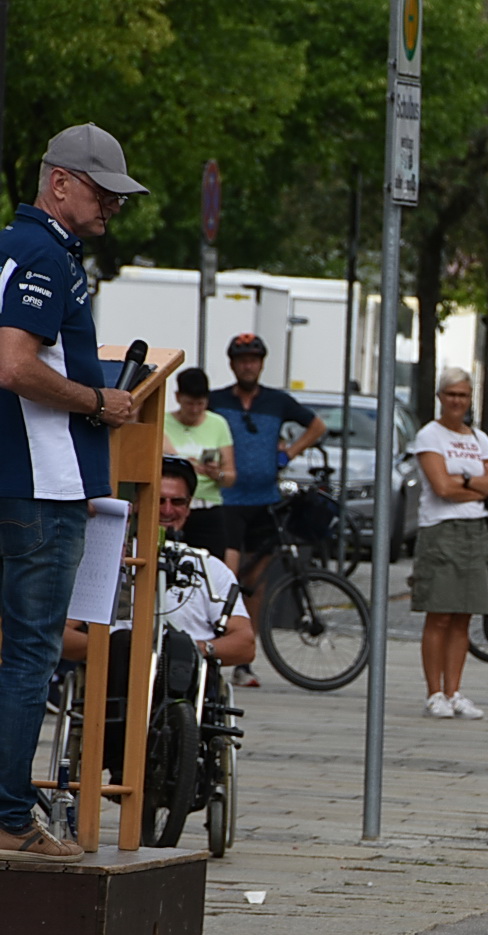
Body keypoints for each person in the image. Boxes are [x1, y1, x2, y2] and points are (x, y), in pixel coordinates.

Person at [0, 123, 145, 863]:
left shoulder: (17, 247)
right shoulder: (40, 254)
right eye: (102, 190)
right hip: (39, 484)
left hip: (22, 475)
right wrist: (98, 401)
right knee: (31, 653)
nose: (113, 206)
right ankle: (10, 817)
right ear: (59, 181)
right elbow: (16, 365)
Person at [210, 332, 326, 687]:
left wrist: (289, 453)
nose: (248, 365)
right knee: (224, 578)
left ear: (262, 363)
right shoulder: (216, 400)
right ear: (232, 364)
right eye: (242, 359)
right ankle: (216, 650)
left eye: (254, 359)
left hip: (264, 500)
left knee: (256, 583)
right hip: (226, 501)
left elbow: (317, 425)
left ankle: (245, 660)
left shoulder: (277, 401)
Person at [64, 458, 255, 668]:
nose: (167, 510)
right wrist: (117, 650)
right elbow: (63, 634)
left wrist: (194, 649)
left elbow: (245, 645)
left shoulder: (210, 567)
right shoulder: (110, 559)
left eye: (177, 502)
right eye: (158, 500)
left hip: (186, 678)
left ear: (189, 507)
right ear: (137, 504)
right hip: (116, 675)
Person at [409, 368, 488, 719]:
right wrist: (478, 482)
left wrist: (463, 478)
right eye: (451, 394)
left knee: (464, 612)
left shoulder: (479, 438)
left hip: (474, 529)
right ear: (440, 397)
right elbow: (441, 488)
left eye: (463, 395)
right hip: (441, 529)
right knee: (439, 613)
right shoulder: (429, 436)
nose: (457, 401)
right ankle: (434, 692)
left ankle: (455, 691)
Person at [161, 367, 238, 571]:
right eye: (189, 404)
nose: (195, 410)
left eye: (200, 404)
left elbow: (230, 476)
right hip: (171, 508)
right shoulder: (163, 422)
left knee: (210, 570)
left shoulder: (218, 423)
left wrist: (216, 473)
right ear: (177, 397)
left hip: (207, 508)